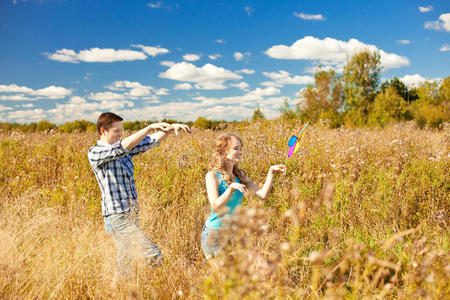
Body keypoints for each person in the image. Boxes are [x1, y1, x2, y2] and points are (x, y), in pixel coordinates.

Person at [88, 112, 190, 278]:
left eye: (122, 130)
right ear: (103, 131)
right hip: (116, 217)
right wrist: (149, 127)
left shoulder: (124, 148)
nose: (120, 134)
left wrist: (169, 129)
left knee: (124, 264)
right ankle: (153, 285)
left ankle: (119, 291)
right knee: (154, 255)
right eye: (116, 131)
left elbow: (149, 142)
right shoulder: (95, 152)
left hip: (131, 214)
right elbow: (122, 148)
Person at [201, 133, 286, 260]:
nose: (240, 152)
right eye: (236, 148)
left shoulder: (239, 175)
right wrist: (230, 188)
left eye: (241, 148)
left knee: (264, 269)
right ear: (223, 152)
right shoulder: (212, 176)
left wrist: (271, 173)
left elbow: (262, 195)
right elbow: (216, 206)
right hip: (215, 235)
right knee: (227, 279)